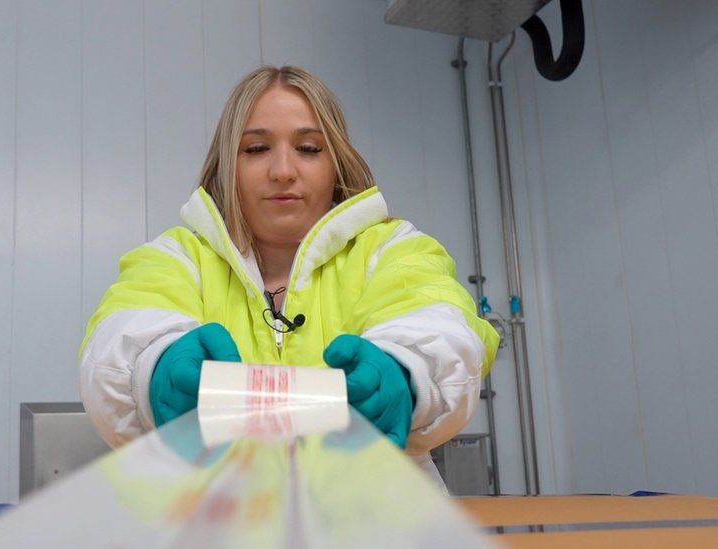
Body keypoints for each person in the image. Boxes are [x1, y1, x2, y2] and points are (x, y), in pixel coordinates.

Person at [79, 65, 499, 480]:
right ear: (228, 165)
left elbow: (442, 328)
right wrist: (154, 371)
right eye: (256, 149)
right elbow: (120, 339)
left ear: (336, 163)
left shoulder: (392, 249)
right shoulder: (176, 257)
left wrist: (408, 374)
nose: (282, 170)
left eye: (309, 148)